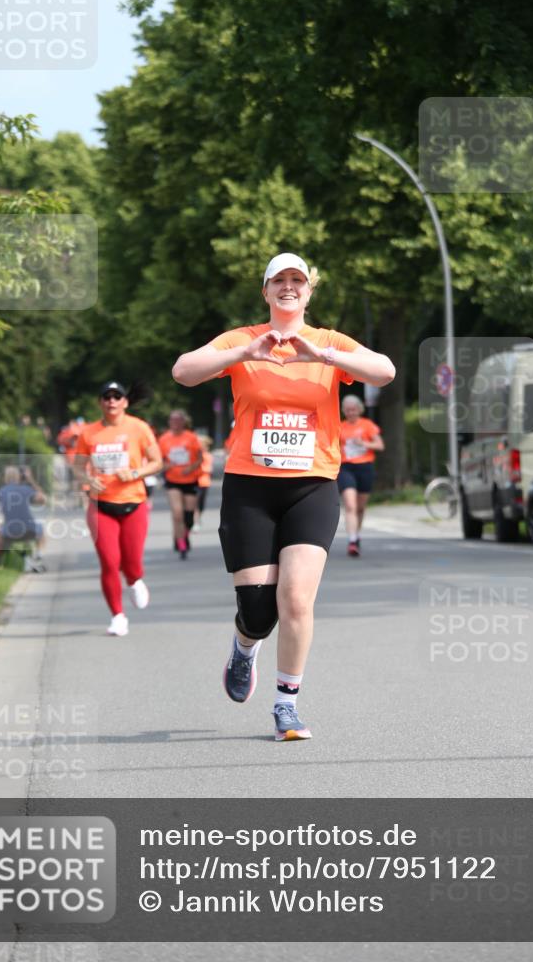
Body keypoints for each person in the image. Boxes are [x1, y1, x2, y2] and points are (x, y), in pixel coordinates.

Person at [172, 252, 395, 740]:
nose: (289, 287)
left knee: (295, 598)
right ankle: (244, 646)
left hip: (311, 486)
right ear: (266, 290)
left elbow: (385, 371)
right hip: (250, 488)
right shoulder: (242, 339)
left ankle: (286, 706)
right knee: (258, 611)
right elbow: (184, 371)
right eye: (279, 280)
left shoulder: (328, 343)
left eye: (298, 280)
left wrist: (325, 358)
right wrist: (243, 354)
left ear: (309, 292)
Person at [74, 381, 163, 636]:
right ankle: (117, 616)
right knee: (109, 562)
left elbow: (157, 462)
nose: (111, 401)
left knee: (131, 563)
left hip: (133, 503)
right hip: (101, 506)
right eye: (106, 397)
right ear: (100, 403)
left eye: (116, 396)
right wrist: (87, 479)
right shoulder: (88, 433)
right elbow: (78, 467)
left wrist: (135, 473)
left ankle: (134, 580)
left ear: (125, 402)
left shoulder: (139, 427)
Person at [337, 394, 385, 556]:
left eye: (353, 409)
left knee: (360, 507)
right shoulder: (340, 426)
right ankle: (352, 541)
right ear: (344, 411)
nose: (351, 413)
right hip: (346, 468)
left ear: (359, 409)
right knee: (350, 505)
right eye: (347, 410)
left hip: (365, 467)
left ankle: (356, 535)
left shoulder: (367, 425)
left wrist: (363, 443)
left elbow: (380, 445)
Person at [157, 410, 203, 559]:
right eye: (172, 420)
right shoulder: (164, 439)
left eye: (178, 420)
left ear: (184, 422)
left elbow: (200, 459)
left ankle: (183, 534)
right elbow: (158, 462)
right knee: (177, 514)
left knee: (189, 517)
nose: (175, 423)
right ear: (169, 422)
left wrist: (191, 468)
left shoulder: (191, 437)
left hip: (190, 480)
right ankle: (181, 544)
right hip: (172, 481)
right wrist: (166, 466)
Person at [0, 465, 47, 570]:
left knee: (0, 531)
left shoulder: (1, 491)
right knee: (41, 528)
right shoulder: (26, 489)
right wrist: (31, 480)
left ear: (5, 477)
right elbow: (43, 500)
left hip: (9, 532)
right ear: (18, 476)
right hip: (29, 530)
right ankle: (38, 554)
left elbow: (6, 511)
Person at [194, 434, 214, 530]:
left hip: (204, 483)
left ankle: (198, 518)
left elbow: (209, 469)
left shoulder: (208, 456)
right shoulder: (194, 455)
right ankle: (195, 522)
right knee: (195, 504)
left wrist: (197, 469)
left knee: (201, 505)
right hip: (194, 482)